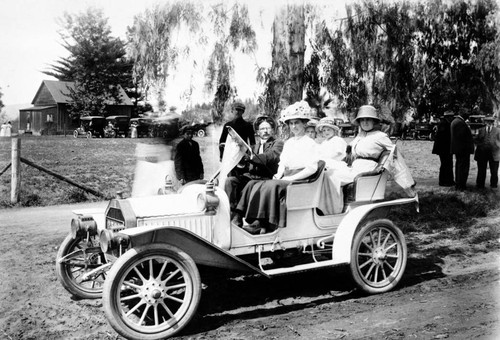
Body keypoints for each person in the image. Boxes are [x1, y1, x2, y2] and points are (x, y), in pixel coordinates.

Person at [234, 100, 318, 234]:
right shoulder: (289, 142)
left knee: (270, 186)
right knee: (256, 184)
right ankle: (254, 220)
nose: (294, 126)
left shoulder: (310, 143)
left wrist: (291, 178)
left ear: (304, 124)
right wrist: (278, 175)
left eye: (297, 123)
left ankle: (266, 223)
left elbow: (312, 168)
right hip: (287, 176)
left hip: (301, 178)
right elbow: (282, 163)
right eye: (291, 123)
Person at [226, 115, 284, 220]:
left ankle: (238, 216)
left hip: (266, 177)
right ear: (257, 132)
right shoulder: (253, 147)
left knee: (250, 184)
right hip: (251, 176)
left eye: (268, 128)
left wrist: (251, 157)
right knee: (230, 181)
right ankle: (230, 211)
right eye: (262, 129)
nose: (265, 131)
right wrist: (240, 159)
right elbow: (246, 165)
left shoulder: (277, 143)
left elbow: (270, 156)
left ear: (273, 130)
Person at [450, 110, 474, 190]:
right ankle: (461, 185)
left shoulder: (456, 121)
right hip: (463, 150)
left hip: (458, 149)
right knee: (463, 168)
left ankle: (459, 184)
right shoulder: (460, 123)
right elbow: (463, 137)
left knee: (459, 167)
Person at [474, 116, 500, 189]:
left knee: (494, 170)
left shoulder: (498, 130)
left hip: (494, 153)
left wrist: (497, 146)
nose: (489, 123)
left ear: (493, 122)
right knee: (481, 170)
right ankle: (480, 184)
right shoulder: (480, 130)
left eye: (490, 121)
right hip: (482, 153)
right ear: (485, 122)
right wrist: (480, 145)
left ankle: (494, 184)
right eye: (487, 121)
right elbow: (476, 140)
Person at [432, 111, 455, 186]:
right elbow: (443, 138)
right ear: (448, 117)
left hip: (444, 149)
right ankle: (444, 181)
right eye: (451, 117)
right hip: (444, 149)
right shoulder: (444, 124)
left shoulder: (444, 123)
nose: (452, 118)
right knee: (446, 164)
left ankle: (447, 181)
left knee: (446, 164)